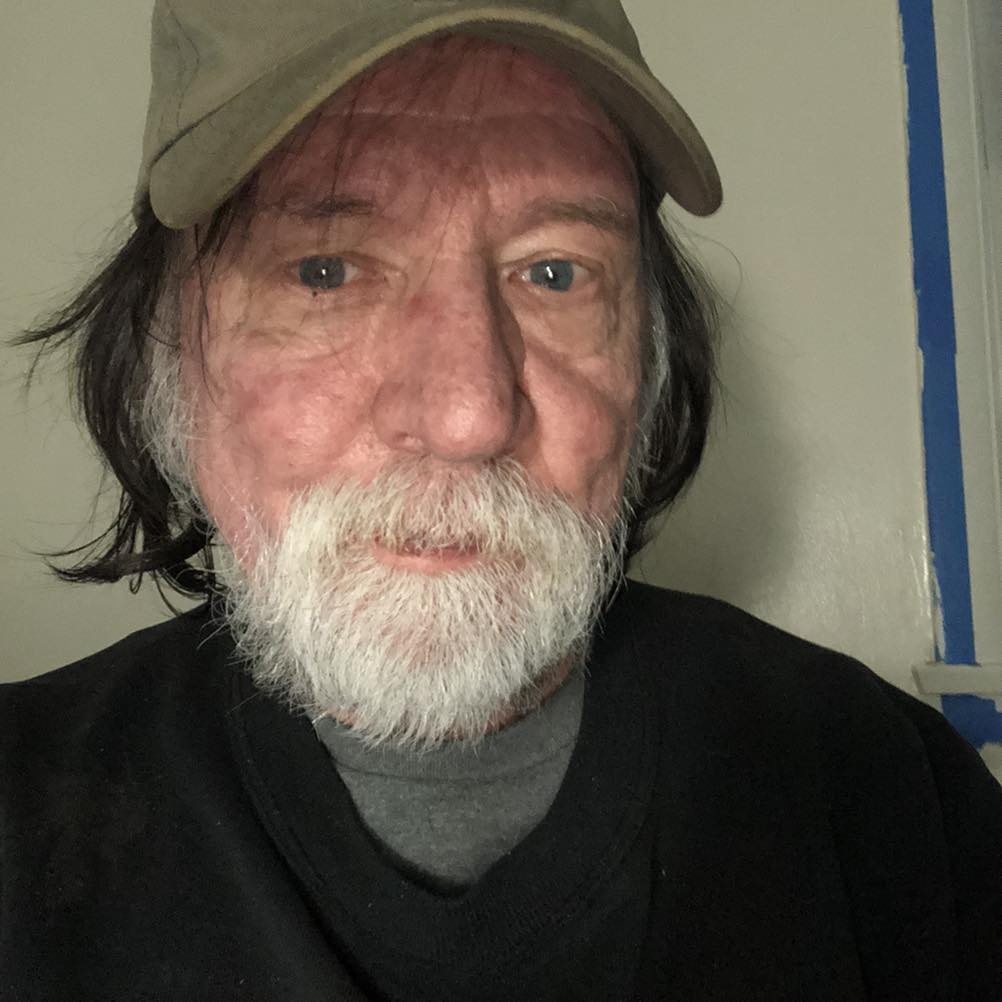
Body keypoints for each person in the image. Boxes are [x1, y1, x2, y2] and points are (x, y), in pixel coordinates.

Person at [3, 1, 1000, 999]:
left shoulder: (888, 792)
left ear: (651, 361)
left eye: (555, 273)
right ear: (161, 354)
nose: (468, 414)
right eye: (325, 272)